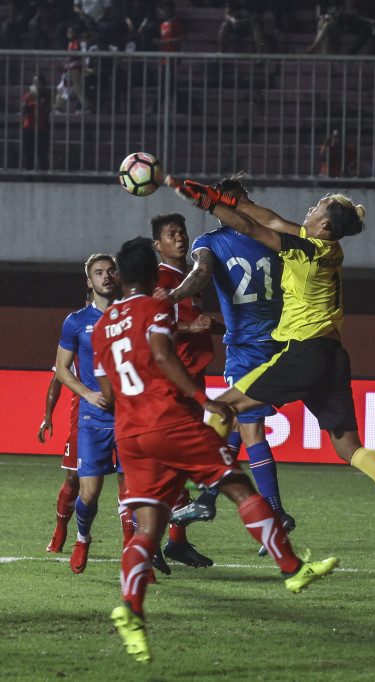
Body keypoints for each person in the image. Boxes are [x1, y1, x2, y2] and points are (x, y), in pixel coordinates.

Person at [93, 236, 338, 664]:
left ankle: (130, 607)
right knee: (239, 486)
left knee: (148, 526)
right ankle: (292, 569)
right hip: (170, 421)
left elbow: (109, 391)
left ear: (120, 278)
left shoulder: (101, 327)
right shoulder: (157, 307)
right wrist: (203, 401)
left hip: (130, 434)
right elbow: (163, 354)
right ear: (152, 274)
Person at [166, 176, 375, 542]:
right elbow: (267, 219)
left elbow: (252, 226)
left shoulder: (303, 249)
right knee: (348, 446)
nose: (308, 209)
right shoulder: (329, 247)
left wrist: (206, 202)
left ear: (323, 224)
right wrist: (218, 197)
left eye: (315, 207)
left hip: (305, 354)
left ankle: (204, 488)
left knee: (223, 405)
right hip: (335, 357)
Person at [157, 178, 296, 551]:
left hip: (247, 348)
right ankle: (206, 498)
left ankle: (275, 512)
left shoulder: (209, 243)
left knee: (250, 430)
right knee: (234, 419)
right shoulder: (273, 239)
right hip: (281, 343)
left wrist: (169, 297)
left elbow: (200, 274)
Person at [150, 212, 223, 566]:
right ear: (158, 245)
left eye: (182, 232)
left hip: (194, 376)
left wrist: (218, 328)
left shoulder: (190, 279)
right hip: (173, 379)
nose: (180, 238)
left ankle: (176, 541)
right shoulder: (160, 279)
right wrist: (191, 327)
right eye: (171, 234)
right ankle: (145, 542)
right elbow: (150, 323)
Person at [54, 253, 128, 573]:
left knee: (134, 494)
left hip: (131, 418)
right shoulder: (75, 321)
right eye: (99, 273)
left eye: (111, 271)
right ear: (90, 282)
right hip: (93, 419)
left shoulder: (134, 316)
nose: (106, 276)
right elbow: (61, 368)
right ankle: (82, 538)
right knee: (89, 493)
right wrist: (88, 394)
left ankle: (135, 555)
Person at [38, 363, 81, 553]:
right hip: (84, 418)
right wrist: (48, 416)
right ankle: (60, 529)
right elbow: (58, 376)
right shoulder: (77, 336)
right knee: (73, 476)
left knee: (128, 479)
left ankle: (134, 545)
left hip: (118, 417)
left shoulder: (123, 335)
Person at [21, 74, 50, 171]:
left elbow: (47, 111)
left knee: (43, 154)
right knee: (29, 153)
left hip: (41, 128)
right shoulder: (27, 96)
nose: (36, 85)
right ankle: (29, 175)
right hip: (29, 127)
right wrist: (28, 100)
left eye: (38, 83)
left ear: (43, 84)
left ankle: (44, 177)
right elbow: (23, 112)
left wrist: (38, 99)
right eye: (34, 83)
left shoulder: (46, 96)